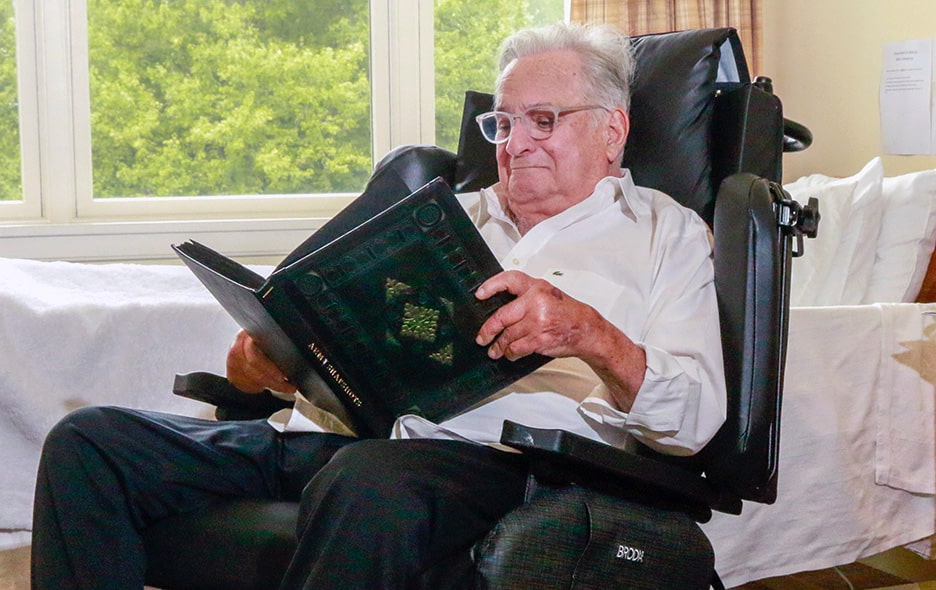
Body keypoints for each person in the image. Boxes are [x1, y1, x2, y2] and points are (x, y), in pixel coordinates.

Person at [31, 21, 726, 589]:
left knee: (369, 481)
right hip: (332, 438)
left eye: (543, 120)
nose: (516, 145)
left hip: (496, 463)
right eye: (503, 124)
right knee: (91, 442)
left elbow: (694, 417)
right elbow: (304, 339)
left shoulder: (667, 235)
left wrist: (588, 333)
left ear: (612, 132)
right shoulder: (437, 217)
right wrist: (261, 361)